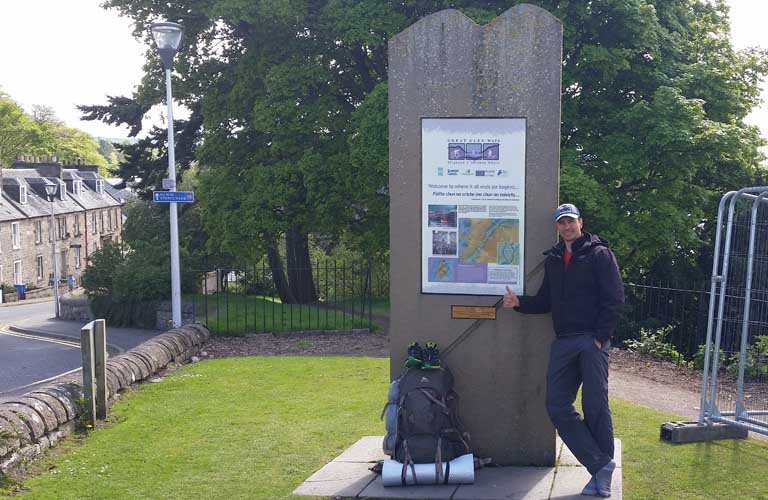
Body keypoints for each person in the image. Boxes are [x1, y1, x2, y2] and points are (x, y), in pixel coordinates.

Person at [503, 203, 624, 498]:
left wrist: (600, 337)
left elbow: (615, 298)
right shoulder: (555, 259)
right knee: (557, 406)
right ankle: (601, 466)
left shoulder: (599, 254)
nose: (567, 227)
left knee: (595, 406)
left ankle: (601, 478)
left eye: (571, 221)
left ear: (581, 222)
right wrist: (518, 303)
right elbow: (546, 301)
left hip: (591, 342)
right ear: (557, 227)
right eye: (562, 223)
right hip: (564, 342)